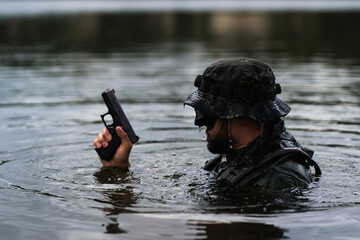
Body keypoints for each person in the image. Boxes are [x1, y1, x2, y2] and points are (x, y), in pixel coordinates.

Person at [94, 58, 321, 191]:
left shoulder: (279, 179)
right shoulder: (242, 152)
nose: (200, 124)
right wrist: (120, 167)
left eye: (207, 115)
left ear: (239, 116)